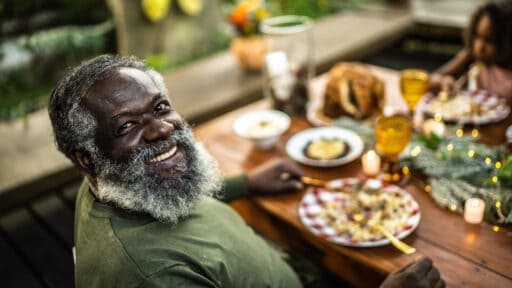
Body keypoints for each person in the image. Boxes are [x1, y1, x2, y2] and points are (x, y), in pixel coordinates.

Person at [48, 54, 444, 287]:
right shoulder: (152, 277)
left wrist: (247, 182)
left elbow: (165, 198)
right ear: (87, 157)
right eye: (126, 126)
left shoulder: (113, 185)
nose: (162, 128)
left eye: (160, 107)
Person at [429, 1, 512, 99]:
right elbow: (431, 79)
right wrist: (442, 81)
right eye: (476, 36)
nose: (480, 47)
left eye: (489, 41)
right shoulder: (473, 55)